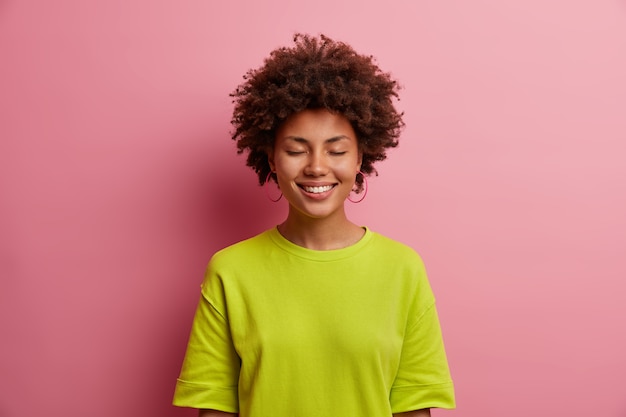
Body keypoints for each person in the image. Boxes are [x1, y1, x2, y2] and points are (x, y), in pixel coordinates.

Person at [173, 33, 455, 417]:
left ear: (361, 157)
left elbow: (413, 408)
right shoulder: (231, 271)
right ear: (271, 158)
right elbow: (214, 409)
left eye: (336, 150)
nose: (317, 166)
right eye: (295, 150)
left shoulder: (402, 270)